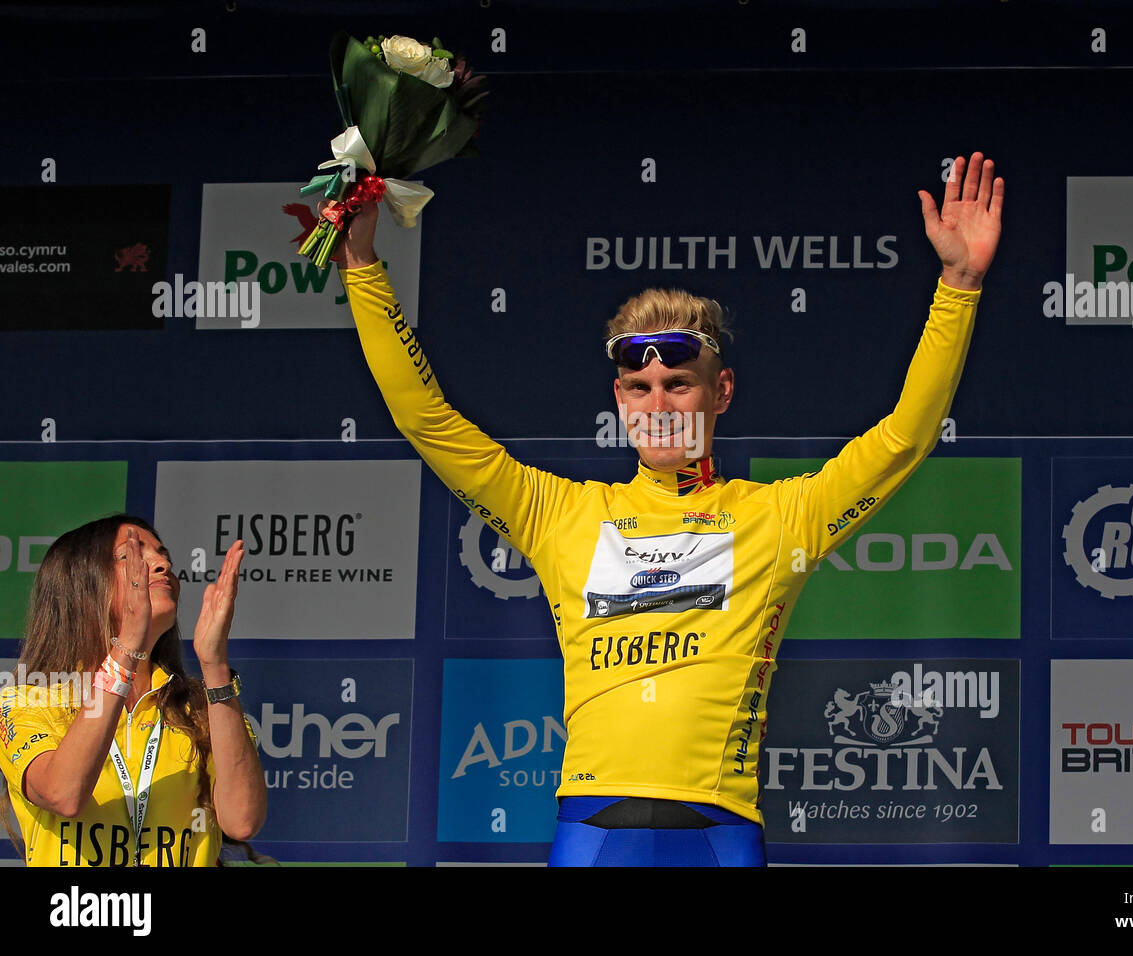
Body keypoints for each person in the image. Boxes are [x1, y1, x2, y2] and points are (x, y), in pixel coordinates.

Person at [337, 152, 1004, 865]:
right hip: (593, 833)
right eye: (639, 385)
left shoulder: (779, 519)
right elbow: (426, 421)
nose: (658, 405)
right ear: (618, 399)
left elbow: (906, 437)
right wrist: (361, 264)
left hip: (720, 835)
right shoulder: (559, 513)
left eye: (679, 383)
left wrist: (958, 285)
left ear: (721, 393)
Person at [0, 516, 267, 866]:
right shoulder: (28, 700)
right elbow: (63, 794)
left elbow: (242, 820)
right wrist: (126, 648)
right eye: (133, 556)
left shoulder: (204, 706)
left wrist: (215, 666)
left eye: (162, 554)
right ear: (82, 587)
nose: (163, 564)